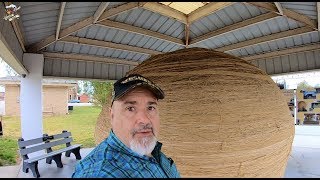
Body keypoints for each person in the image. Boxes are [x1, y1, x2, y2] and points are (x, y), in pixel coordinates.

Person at [72, 74, 180, 178]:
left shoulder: (150, 150)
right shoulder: (99, 173)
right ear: (112, 115)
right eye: (130, 108)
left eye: (150, 108)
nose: (145, 120)